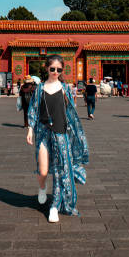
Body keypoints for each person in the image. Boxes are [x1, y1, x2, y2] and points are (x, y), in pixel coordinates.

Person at [26, 54, 89, 223]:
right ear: (46, 68)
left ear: (62, 70)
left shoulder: (65, 88)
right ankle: (42, 187)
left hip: (61, 134)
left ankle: (54, 206)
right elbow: (32, 109)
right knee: (44, 170)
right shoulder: (39, 88)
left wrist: (75, 135)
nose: (55, 72)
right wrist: (30, 129)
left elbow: (71, 113)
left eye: (58, 69)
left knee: (61, 173)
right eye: (52, 69)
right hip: (43, 133)